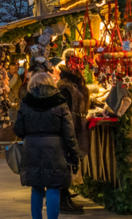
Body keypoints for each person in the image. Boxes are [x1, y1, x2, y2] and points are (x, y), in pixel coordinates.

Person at [14, 73, 81, 219]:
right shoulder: (60, 103)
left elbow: (18, 130)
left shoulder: (26, 103)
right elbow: (69, 133)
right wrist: (75, 156)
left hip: (31, 149)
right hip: (55, 151)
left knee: (37, 188)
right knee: (53, 187)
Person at [55, 68, 90, 214]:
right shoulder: (65, 88)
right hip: (68, 129)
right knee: (66, 162)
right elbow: (66, 111)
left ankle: (66, 196)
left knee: (69, 163)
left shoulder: (72, 86)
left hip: (72, 127)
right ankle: (63, 199)